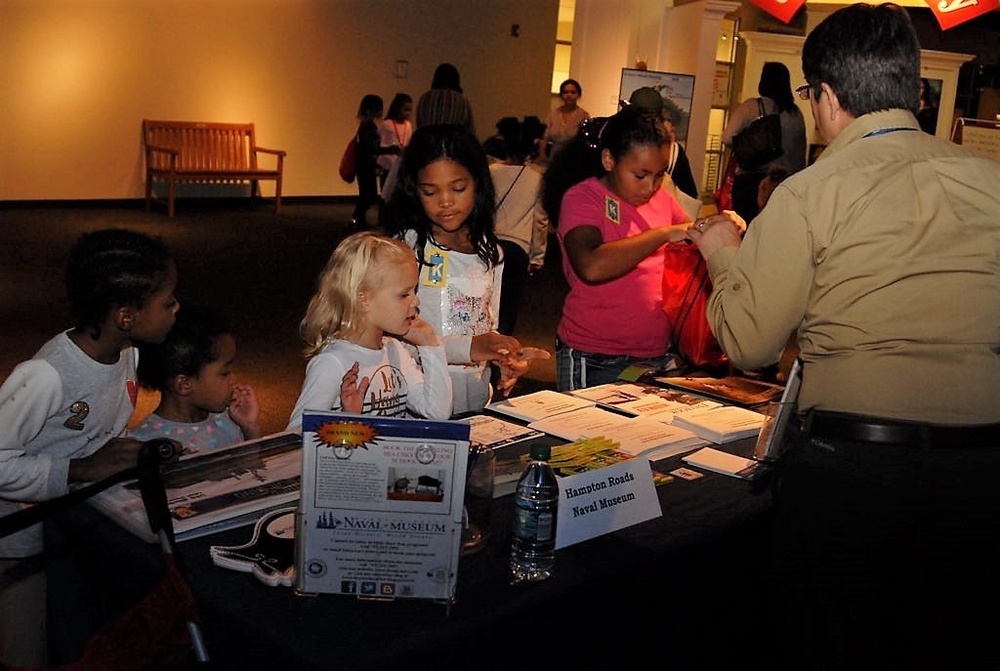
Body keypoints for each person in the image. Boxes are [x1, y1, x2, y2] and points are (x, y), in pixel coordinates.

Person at [688, 4, 1000, 668]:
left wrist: (721, 252)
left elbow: (747, 341)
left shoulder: (808, 192)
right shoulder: (991, 182)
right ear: (914, 90)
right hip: (980, 470)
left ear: (827, 98)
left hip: (856, 472)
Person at [0, 228, 180, 668]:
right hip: (23, 537)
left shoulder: (127, 355)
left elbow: (97, 435)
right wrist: (78, 469)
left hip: (76, 522)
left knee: (75, 629)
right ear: (125, 316)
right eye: (168, 301)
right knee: (26, 646)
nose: (177, 309)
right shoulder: (45, 376)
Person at [382, 124, 549, 415]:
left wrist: (502, 355)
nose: (446, 201)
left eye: (458, 188)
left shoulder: (491, 252)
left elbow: (486, 325)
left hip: (474, 400)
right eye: (430, 191)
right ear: (414, 191)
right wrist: (471, 347)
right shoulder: (407, 249)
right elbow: (396, 335)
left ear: (478, 185)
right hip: (416, 401)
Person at [542, 107, 710, 391]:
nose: (651, 187)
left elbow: (693, 244)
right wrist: (663, 233)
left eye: (659, 176)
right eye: (640, 175)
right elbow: (592, 265)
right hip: (594, 354)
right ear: (609, 159)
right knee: (586, 434)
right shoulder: (583, 198)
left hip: (656, 354)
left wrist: (717, 228)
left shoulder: (663, 201)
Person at [286, 232, 453, 430]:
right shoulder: (332, 363)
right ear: (364, 299)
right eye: (404, 294)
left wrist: (430, 344)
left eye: (414, 291)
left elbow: (438, 413)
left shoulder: (395, 351)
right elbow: (297, 433)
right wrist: (348, 421)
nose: (416, 301)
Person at [132, 304, 261, 454]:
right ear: (184, 384)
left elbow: (255, 472)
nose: (234, 380)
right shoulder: (149, 444)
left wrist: (250, 429)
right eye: (225, 373)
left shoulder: (229, 420)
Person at [721, 61, 806, 225]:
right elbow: (800, 155)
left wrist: (745, 145)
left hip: (750, 182)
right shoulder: (795, 114)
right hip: (785, 183)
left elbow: (727, 137)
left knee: (746, 229)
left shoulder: (751, 108)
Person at [487, 116, 550, 336]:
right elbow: (541, 220)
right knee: (509, 307)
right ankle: (501, 355)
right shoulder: (537, 178)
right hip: (518, 249)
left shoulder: (490, 172)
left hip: (489, 244)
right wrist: (537, 257)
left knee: (485, 303)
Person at [627, 86, 700, 210]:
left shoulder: (619, 143)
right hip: (660, 218)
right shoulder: (673, 150)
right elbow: (689, 193)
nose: (650, 187)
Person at [351, 94, 396, 229]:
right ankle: (357, 217)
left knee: (367, 194)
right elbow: (370, 149)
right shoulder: (368, 127)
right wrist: (388, 150)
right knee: (368, 194)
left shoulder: (365, 126)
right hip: (365, 166)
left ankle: (358, 218)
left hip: (365, 165)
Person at [539, 78, 590, 164]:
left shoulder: (583, 115)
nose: (569, 95)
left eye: (573, 92)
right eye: (565, 92)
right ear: (561, 95)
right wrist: (542, 155)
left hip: (574, 158)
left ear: (578, 95)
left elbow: (585, 141)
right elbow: (544, 137)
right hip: (554, 158)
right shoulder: (553, 114)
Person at [415, 63, 474, 133]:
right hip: (455, 142)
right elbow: (470, 130)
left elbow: (420, 126)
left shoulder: (424, 99)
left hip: (428, 142)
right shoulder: (462, 100)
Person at [378, 92, 413, 191]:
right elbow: (381, 145)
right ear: (397, 108)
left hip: (402, 167)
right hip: (388, 167)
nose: (408, 113)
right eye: (405, 109)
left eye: (410, 110)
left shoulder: (408, 125)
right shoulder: (387, 125)